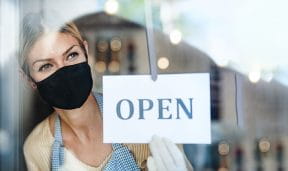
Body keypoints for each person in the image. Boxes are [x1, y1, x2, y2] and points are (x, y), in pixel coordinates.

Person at [20, 13, 193, 171]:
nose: (64, 70)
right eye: (46, 66)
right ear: (29, 80)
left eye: (72, 55)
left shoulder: (140, 115)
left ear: (85, 51)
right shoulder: (37, 148)